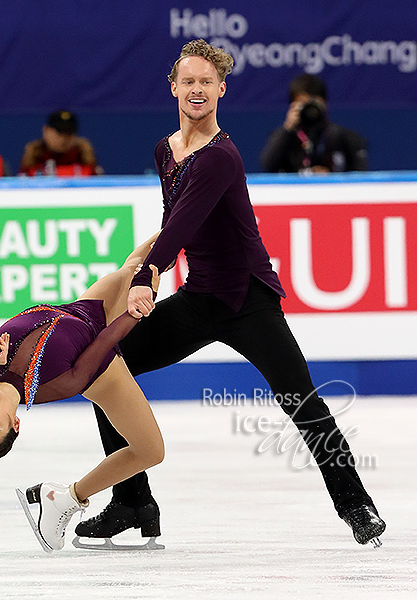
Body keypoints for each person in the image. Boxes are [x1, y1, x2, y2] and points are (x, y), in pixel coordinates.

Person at [77, 39, 386, 549]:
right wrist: (145, 264)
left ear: (221, 90)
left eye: (207, 82)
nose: (197, 90)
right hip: (200, 299)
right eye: (188, 81)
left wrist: (145, 277)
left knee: (300, 400)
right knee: (104, 369)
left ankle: (355, 504)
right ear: (174, 87)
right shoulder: (165, 150)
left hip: (248, 300)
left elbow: (184, 224)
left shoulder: (221, 157)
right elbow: (174, 225)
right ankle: (132, 501)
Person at [0, 234, 164, 552]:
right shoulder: (61, 383)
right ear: (15, 424)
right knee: (151, 452)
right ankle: (69, 496)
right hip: (101, 367)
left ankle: (182, 214)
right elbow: (104, 342)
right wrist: (133, 314)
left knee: (137, 264)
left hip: (79, 310)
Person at [260, 74, 368, 173]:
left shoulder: (346, 138)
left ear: (324, 104)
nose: (309, 109)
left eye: (314, 103)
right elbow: (268, 166)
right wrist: (287, 128)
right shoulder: (285, 137)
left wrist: (331, 177)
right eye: (303, 103)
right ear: (292, 106)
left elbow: (361, 176)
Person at [19, 110, 102, 177]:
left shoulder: (85, 159)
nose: (64, 138)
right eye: (60, 131)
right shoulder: (33, 159)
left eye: (69, 132)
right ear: (46, 131)